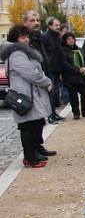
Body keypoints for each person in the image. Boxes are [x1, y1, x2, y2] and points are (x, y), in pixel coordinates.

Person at [0, 26, 56, 167]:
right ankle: (29, 157)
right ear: (15, 39)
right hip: (25, 95)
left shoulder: (22, 51)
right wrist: (46, 81)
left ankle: (35, 151)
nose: (27, 40)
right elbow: (30, 72)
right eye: (23, 37)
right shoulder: (16, 54)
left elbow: (35, 70)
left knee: (35, 124)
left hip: (32, 93)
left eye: (27, 37)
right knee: (27, 127)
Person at [60, 32, 85, 120]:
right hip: (71, 77)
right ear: (65, 41)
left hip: (82, 76)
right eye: (69, 39)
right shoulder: (63, 51)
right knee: (73, 96)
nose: (71, 40)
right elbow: (65, 64)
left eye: (72, 39)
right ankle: (76, 112)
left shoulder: (80, 49)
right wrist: (77, 70)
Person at [42, 17, 64, 115]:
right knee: (51, 93)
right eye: (56, 25)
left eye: (59, 25)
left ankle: (54, 113)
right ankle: (51, 114)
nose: (58, 27)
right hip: (50, 69)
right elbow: (46, 54)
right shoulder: (46, 37)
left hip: (57, 68)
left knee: (55, 93)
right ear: (50, 26)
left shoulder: (57, 37)